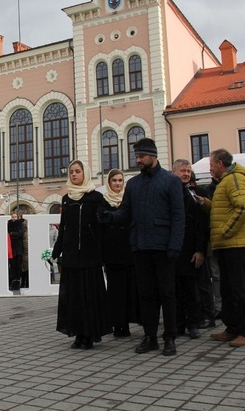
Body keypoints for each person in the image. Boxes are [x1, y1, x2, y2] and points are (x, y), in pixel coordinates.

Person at [102, 138, 185, 356]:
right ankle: (150, 337)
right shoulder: (134, 184)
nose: (137, 160)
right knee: (146, 294)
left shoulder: (170, 181)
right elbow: (125, 212)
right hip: (139, 247)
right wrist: (110, 217)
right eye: (136, 156)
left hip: (163, 248)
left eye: (140, 156)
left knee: (167, 294)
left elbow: (178, 216)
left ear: (152, 155)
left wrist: (175, 245)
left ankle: (170, 338)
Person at [52, 160, 111, 350]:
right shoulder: (66, 199)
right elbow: (64, 227)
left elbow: (104, 224)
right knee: (74, 297)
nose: (74, 175)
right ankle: (77, 333)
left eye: (77, 171)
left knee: (89, 296)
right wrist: (57, 250)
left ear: (85, 173)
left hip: (90, 254)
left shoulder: (95, 197)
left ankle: (89, 334)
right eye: (71, 172)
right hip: (71, 255)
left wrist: (102, 249)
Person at [201, 148, 245, 347]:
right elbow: (225, 207)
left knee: (239, 290)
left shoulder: (235, 179)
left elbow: (244, 208)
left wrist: (226, 231)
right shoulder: (225, 181)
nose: (210, 168)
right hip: (225, 245)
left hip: (234, 243)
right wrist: (206, 203)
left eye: (211, 164)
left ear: (220, 164)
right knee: (228, 289)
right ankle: (232, 328)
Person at [101, 168, 140, 338]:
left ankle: (129, 323)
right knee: (115, 290)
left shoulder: (129, 199)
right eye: (114, 181)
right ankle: (117, 324)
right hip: (112, 251)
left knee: (130, 289)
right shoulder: (103, 201)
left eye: (120, 181)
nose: (117, 184)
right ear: (109, 183)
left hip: (129, 250)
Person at [171, 160, 208, 340]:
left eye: (188, 171)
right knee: (175, 290)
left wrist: (200, 250)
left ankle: (193, 323)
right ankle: (178, 324)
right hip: (172, 250)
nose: (186, 174)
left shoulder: (194, 194)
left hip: (190, 250)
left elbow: (200, 225)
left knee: (192, 290)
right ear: (174, 171)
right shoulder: (168, 192)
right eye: (182, 171)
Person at [8, 212, 25, 290]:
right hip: (11, 248)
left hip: (18, 248)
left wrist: (12, 234)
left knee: (18, 266)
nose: (14, 218)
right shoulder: (9, 224)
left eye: (15, 217)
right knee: (12, 266)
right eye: (12, 216)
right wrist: (15, 234)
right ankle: (13, 282)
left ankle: (18, 282)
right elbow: (9, 233)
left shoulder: (21, 224)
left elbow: (21, 234)